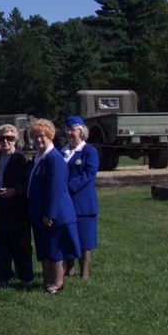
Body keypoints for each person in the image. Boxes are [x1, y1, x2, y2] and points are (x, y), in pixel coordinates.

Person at [26, 119, 81, 294]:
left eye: (42, 136)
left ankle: (57, 282)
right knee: (44, 247)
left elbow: (55, 188)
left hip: (54, 212)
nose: (38, 140)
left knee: (55, 247)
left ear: (50, 136)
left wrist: (50, 213)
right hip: (38, 210)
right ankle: (47, 279)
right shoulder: (38, 157)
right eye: (34, 136)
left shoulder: (54, 158)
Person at [0, 124, 33, 289]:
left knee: (20, 242)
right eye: (2, 138)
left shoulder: (21, 160)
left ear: (16, 139)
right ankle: (2, 276)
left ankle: (25, 277)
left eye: (10, 138)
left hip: (16, 205)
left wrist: (15, 190)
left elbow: (26, 183)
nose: (6, 141)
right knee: (0, 242)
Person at [64, 116, 99, 280]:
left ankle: (84, 271)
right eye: (68, 130)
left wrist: (70, 186)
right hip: (64, 201)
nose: (70, 133)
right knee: (67, 235)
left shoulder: (89, 151)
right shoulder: (61, 151)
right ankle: (68, 268)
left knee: (84, 238)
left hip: (83, 201)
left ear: (82, 132)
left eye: (73, 130)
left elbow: (89, 174)